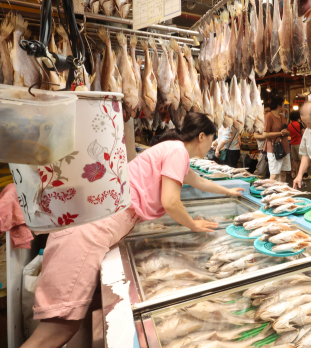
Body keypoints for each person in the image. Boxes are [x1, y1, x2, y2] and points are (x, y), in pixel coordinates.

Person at [21, 113, 244, 348]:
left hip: (94, 226)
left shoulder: (173, 150)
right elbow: (170, 201)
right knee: (57, 330)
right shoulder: (177, 152)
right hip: (91, 231)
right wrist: (194, 224)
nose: (212, 144)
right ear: (201, 137)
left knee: (76, 316)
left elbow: (197, 180)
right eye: (212, 138)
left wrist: (229, 192)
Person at [263, 96, 291, 182]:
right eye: (283, 104)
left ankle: (281, 192)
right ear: (279, 105)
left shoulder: (282, 117)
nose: (284, 107)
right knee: (274, 174)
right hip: (274, 148)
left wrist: (286, 132)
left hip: (284, 148)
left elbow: (288, 131)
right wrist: (280, 133)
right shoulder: (269, 116)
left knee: (283, 172)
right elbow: (265, 134)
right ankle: (271, 193)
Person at [253, 106, 271, 178]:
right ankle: (253, 182)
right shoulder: (259, 122)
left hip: (271, 150)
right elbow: (256, 136)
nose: (267, 113)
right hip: (262, 149)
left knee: (271, 171)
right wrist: (267, 136)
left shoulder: (270, 120)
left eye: (269, 111)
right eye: (266, 111)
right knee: (260, 169)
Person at [288, 111, 304, 179]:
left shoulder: (289, 125)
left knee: (295, 160)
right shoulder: (299, 124)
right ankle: (301, 175)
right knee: (302, 160)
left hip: (292, 144)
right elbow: (303, 133)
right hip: (299, 143)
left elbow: (289, 134)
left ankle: (296, 174)